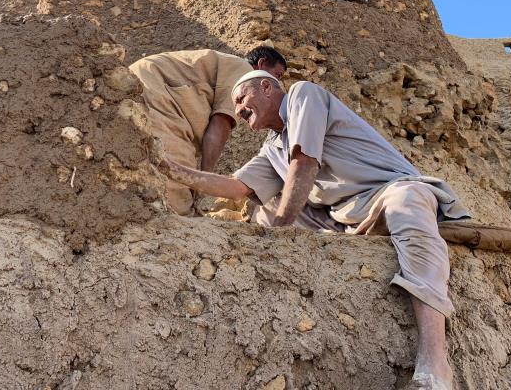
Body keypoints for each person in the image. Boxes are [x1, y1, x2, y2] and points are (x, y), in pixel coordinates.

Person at [159, 70, 470, 390]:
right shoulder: (273, 146)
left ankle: (434, 367)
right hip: (342, 221)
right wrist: (171, 169)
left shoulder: (303, 95)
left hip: (387, 193)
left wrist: (281, 227)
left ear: (266, 87)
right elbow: (237, 188)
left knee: (408, 200)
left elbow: (304, 164)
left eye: (241, 99)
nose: (238, 110)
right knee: (263, 207)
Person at [129, 47, 286, 215]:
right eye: (278, 75)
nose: (278, 84)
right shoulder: (244, 72)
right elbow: (219, 126)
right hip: (154, 88)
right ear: (261, 64)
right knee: (177, 190)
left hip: (142, 82)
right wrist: (205, 178)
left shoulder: (223, 65)